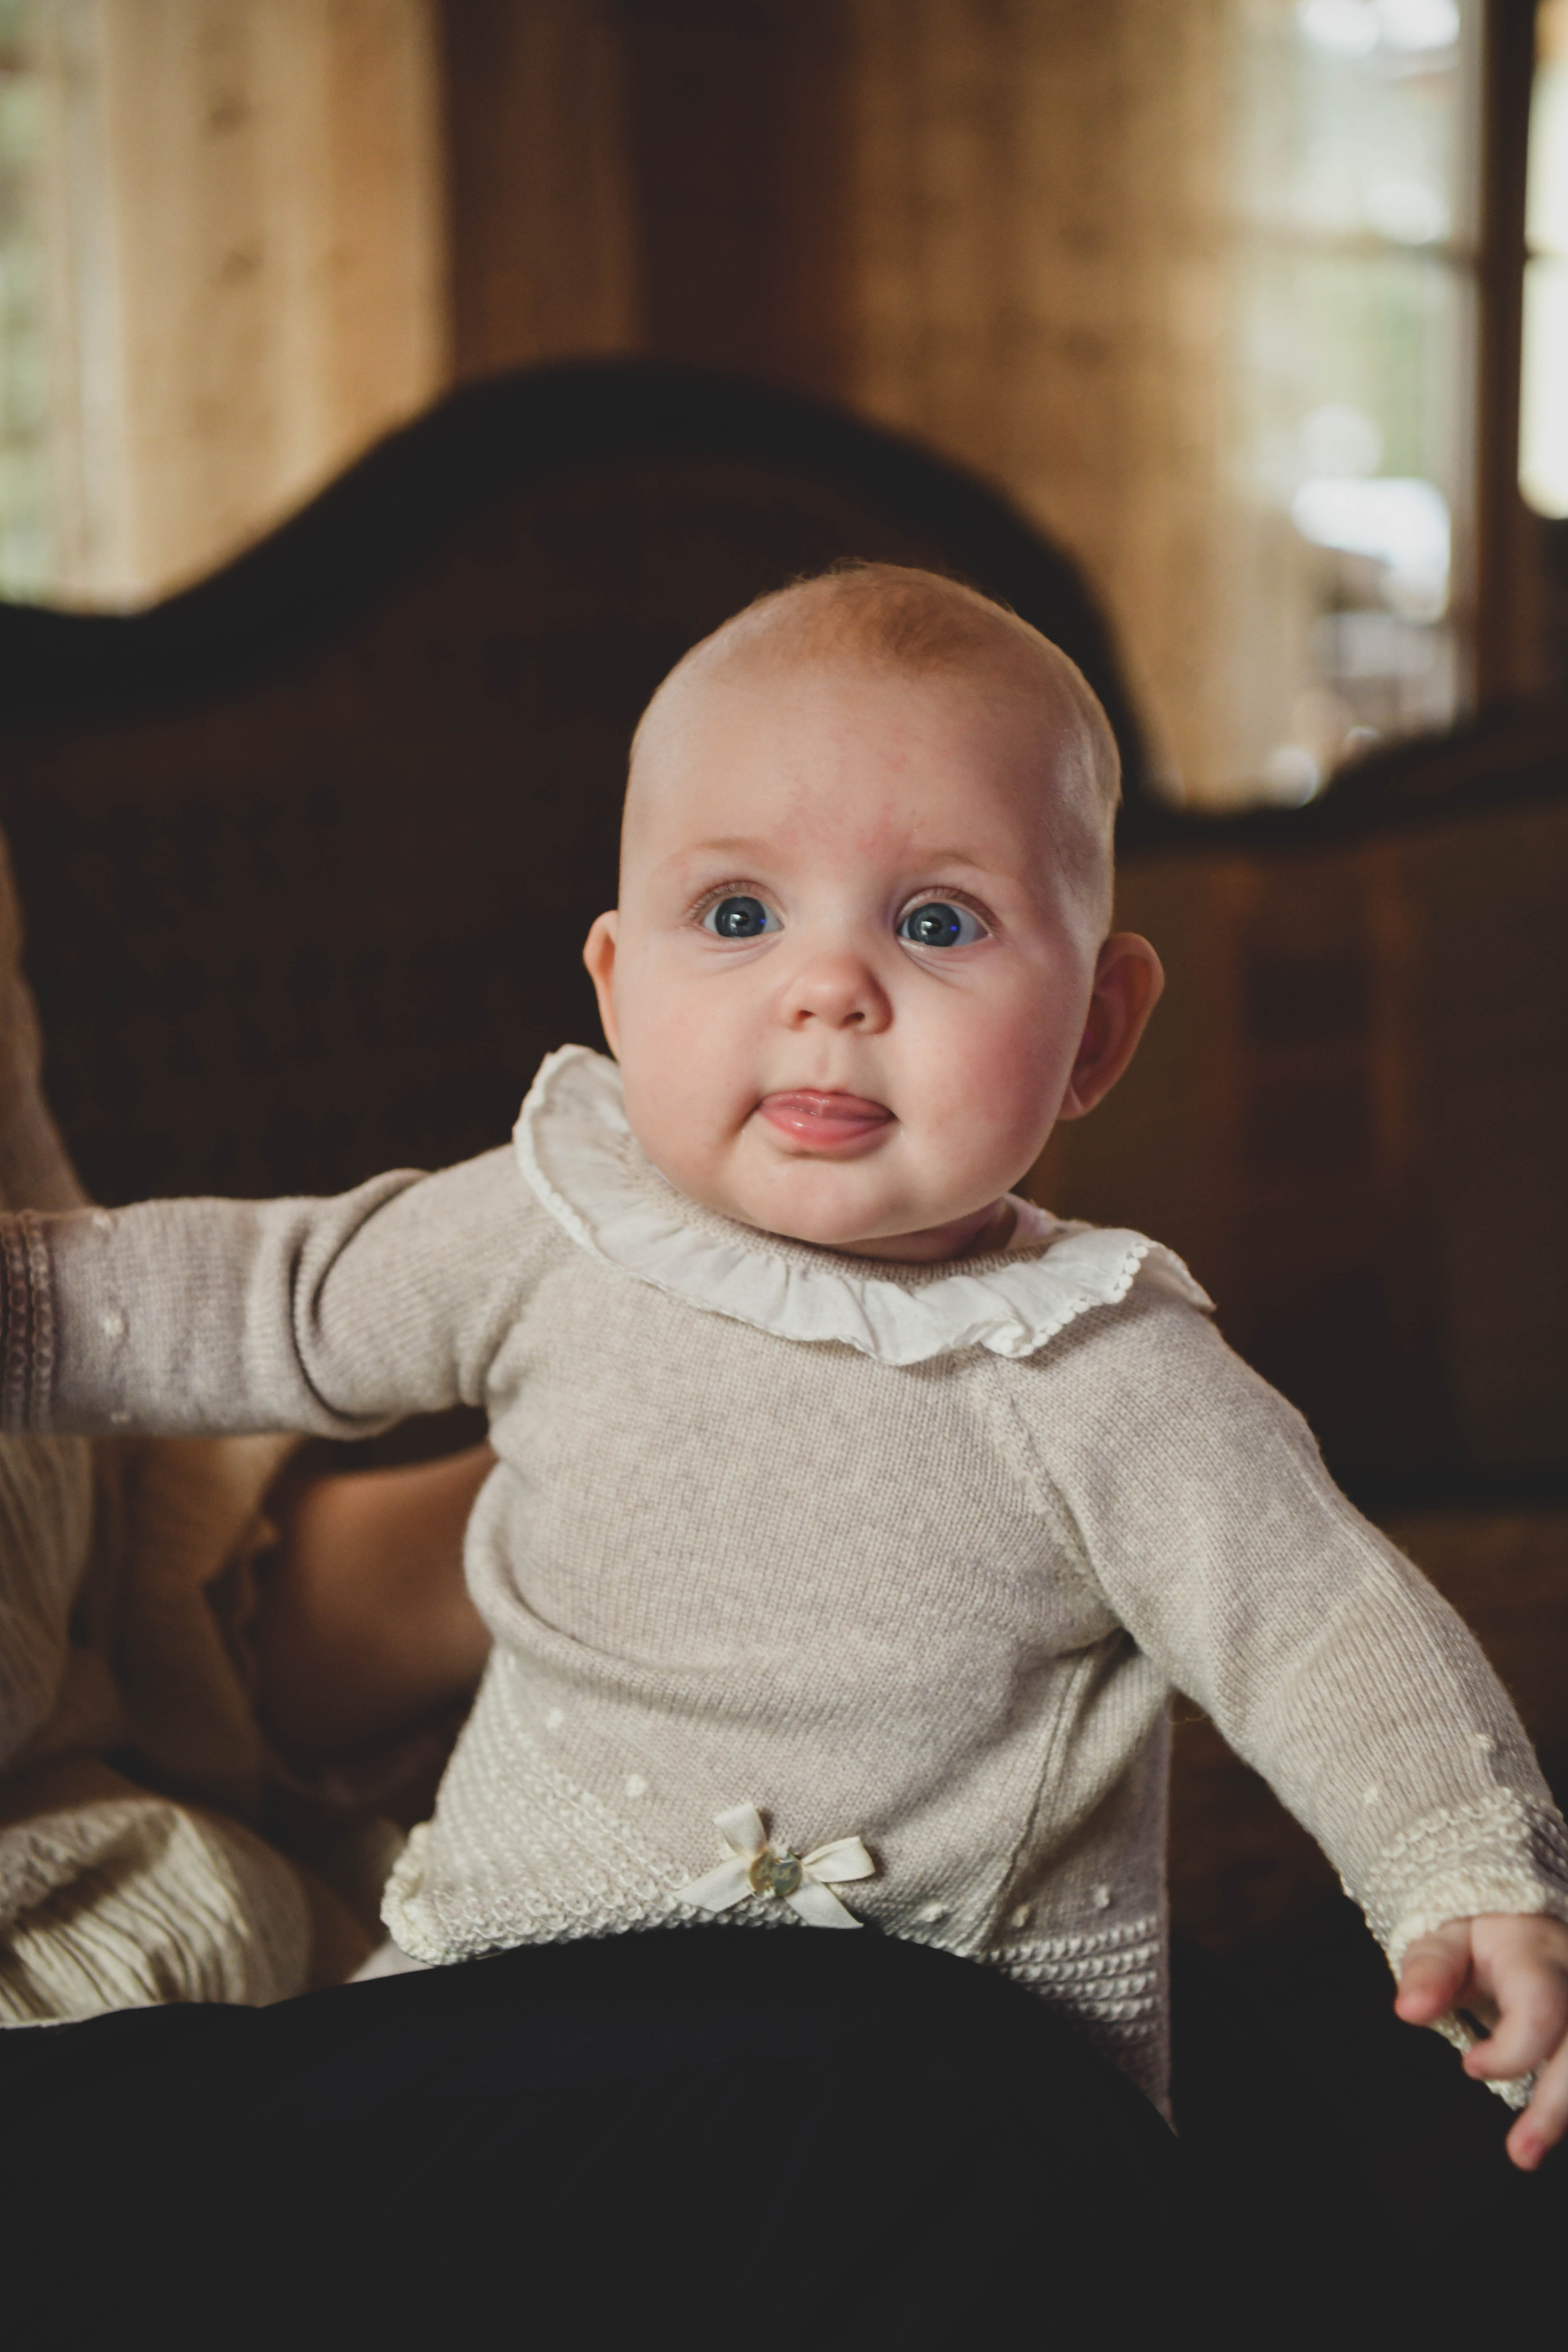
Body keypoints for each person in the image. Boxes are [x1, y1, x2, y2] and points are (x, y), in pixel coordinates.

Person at [1, 563, 1564, 2342]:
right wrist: (26, 1312)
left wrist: (1469, 1879)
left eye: (941, 925)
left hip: (914, 2120)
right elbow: (251, 1301)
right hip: (490, 2017)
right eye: (738, 916)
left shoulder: (1100, 1368)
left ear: (1102, 1033)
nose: (830, 991)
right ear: (613, 979)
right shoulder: (549, 1227)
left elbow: (1322, 1623)